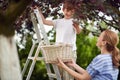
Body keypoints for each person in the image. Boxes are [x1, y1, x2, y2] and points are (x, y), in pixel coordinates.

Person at [36, 0, 81, 80]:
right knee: (60, 76)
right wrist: (39, 11)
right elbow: (44, 21)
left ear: (73, 12)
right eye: (66, 10)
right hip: (59, 52)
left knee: (68, 76)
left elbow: (78, 32)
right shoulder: (58, 22)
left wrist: (77, 27)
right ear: (63, 10)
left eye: (70, 11)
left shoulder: (73, 22)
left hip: (70, 52)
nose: (68, 12)